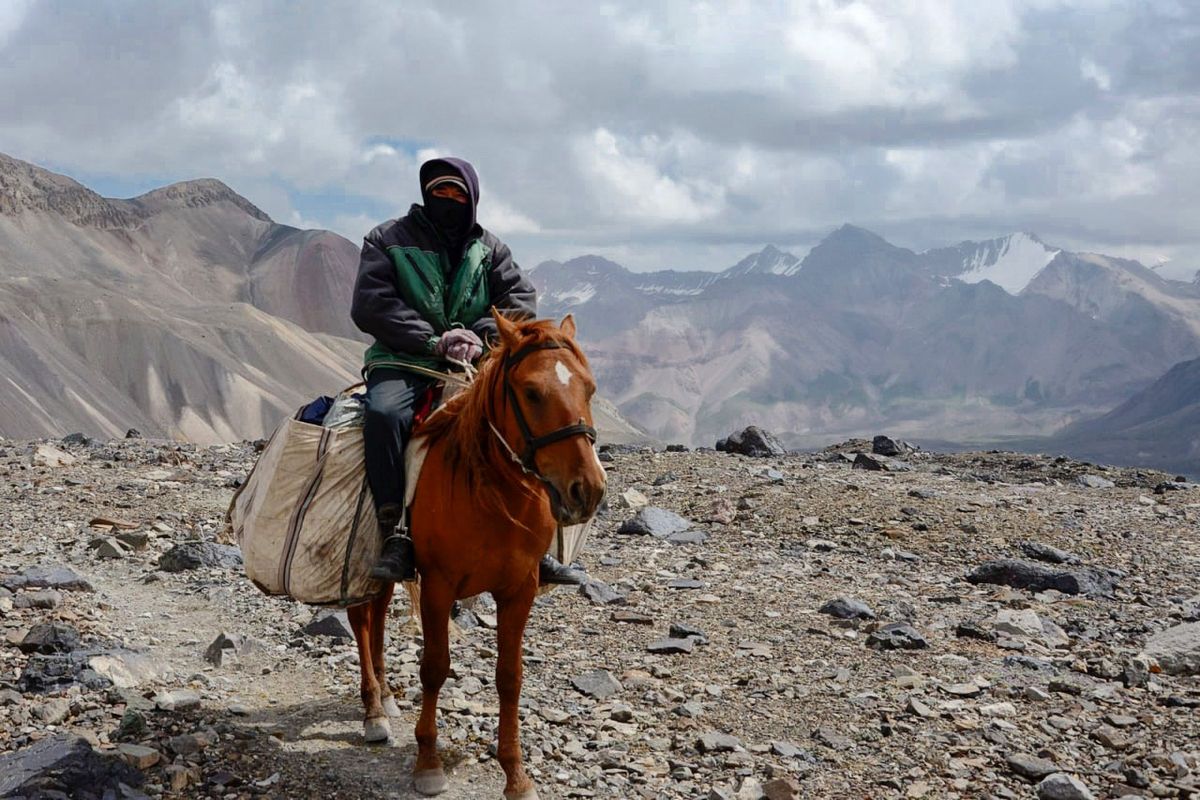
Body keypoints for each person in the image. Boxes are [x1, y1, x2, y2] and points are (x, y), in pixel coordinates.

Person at [350, 156, 586, 585]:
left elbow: (518, 301)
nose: (448, 199)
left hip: (474, 362)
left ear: (472, 199)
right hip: (404, 359)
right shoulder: (386, 240)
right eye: (440, 192)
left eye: (457, 193)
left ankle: (539, 543)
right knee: (385, 415)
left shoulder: (490, 249)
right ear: (426, 194)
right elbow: (372, 303)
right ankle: (395, 531)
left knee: (523, 423)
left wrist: (480, 336)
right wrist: (432, 340)